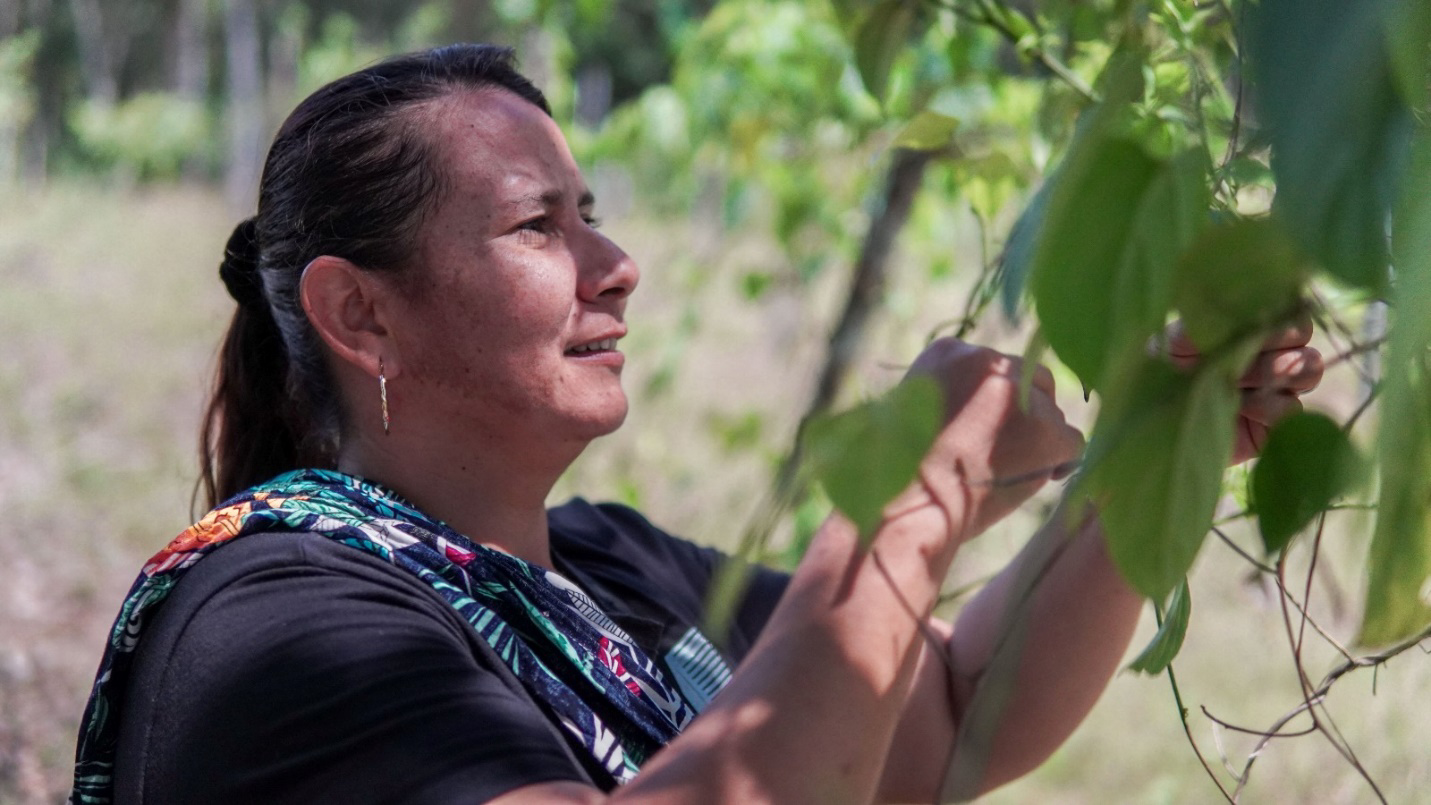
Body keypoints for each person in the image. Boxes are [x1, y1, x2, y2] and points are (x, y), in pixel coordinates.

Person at [71, 44, 1322, 805]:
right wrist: (904, 496)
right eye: (536, 227)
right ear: (363, 315)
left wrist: (1160, 439)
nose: (616, 264)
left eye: (592, 212)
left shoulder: (607, 567)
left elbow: (944, 706)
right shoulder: (281, 626)